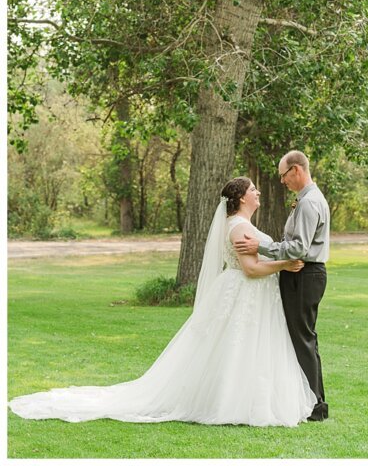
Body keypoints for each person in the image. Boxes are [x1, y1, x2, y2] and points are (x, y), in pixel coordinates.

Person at [9, 177, 315, 426]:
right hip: (243, 292)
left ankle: (238, 398)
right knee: (238, 347)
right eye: (252, 190)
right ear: (240, 198)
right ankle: (232, 403)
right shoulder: (240, 227)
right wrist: (284, 265)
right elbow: (250, 269)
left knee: (237, 348)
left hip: (243, 294)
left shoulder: (236, 224)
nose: (258, 192)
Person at [234, 150, 330, 422]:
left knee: (302, 339)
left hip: (304, 273)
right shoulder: (306, 200)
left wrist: (260, 246)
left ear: (297, 170)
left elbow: (299, 247)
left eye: (283, 175)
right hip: (300, 273)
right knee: (302, 338)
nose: (282, 181)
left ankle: (315, 405)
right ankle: (311, 401)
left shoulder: (310, 203)